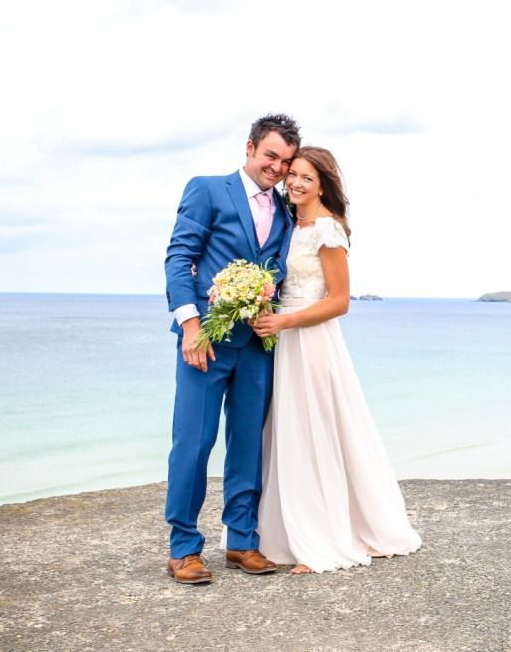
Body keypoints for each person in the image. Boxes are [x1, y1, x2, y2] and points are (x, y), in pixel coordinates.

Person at [251, 146, 421, 573]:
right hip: (284, 341)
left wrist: (286, 322)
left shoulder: (327, 229)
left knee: (314, 432)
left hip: (310, 340)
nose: (295, 182)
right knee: (288, 434)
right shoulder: (290, 224)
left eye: (307, 177)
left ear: (324, 183)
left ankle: (322, 539)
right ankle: (286, 533)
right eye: (292, 175)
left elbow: (340, 302)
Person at [163, 114, 300, 584]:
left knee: (247, 445)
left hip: (259, 345)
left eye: (285, 161)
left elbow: (280, 270)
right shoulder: (207, 189)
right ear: (249, 148)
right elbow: (180, 256)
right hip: (208, 343)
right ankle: (183, 548)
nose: (278, 168)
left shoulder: (286, 211)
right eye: (270, 157)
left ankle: (242, 541)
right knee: (194, 444)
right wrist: (191, 325)